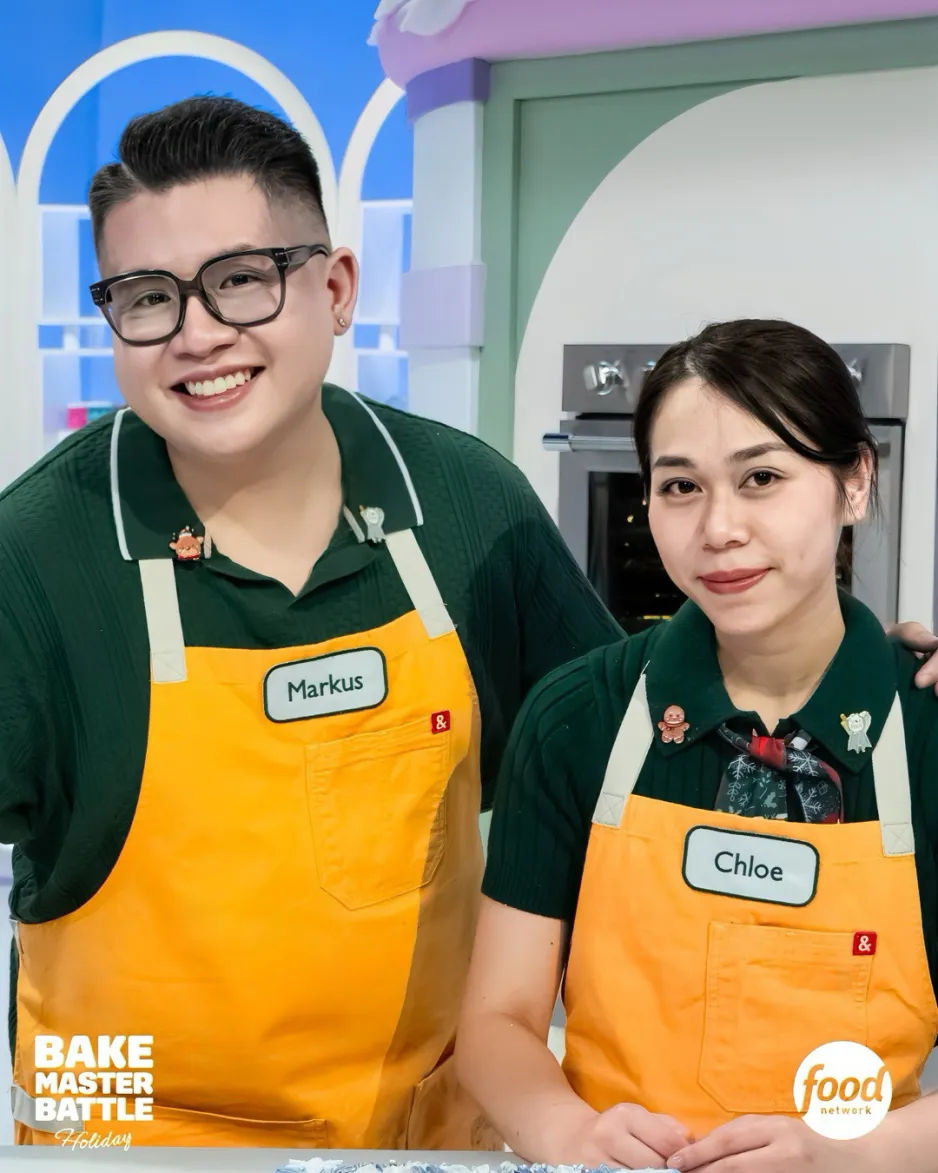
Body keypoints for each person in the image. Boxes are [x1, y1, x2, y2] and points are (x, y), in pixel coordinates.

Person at [1, 95, 630, 1149]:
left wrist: (864, 679)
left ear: (334, 287)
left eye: (241, 280)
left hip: (416, 1139)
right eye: (147, 297)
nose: (198, 335)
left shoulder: (466, 506)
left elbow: (628, 763)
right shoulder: (37, 556)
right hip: (125, 1145)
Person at [456, 320, 938, 1173]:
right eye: (680, 486)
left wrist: (855, 1152)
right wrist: (569, 1132)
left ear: (855, 481)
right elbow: (496, 1022)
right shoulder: (579, 717)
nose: (718, 528)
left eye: (762, 477)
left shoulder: (926, 730)